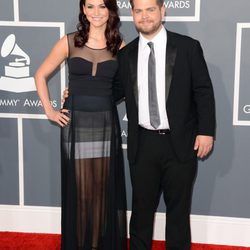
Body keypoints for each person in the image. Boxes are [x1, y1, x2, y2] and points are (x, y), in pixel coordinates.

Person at [116, 0, 216, 249]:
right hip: (143, 144)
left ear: (163, 11)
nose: (145, 16)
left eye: (150, 9)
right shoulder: (125, 54)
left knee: (178, 215)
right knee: (140, 214)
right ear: (132, 14)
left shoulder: (187, 47)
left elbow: (203, 91)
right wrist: (77, 95)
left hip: (180, 143)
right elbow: (112, 91)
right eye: (138, 11)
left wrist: (206, 131)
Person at [34, 0, 127, 249]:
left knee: (101, 193)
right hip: (76, 125)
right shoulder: (69, 41)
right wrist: (50, 111)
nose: (96, 12)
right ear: (83, 10)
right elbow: (40, 74)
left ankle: (97, 244)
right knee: (82, 193)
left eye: (102, 6)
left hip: (106, 124)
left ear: (110, 10)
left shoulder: (120, 45)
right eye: (91, 6)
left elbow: (125, 88)